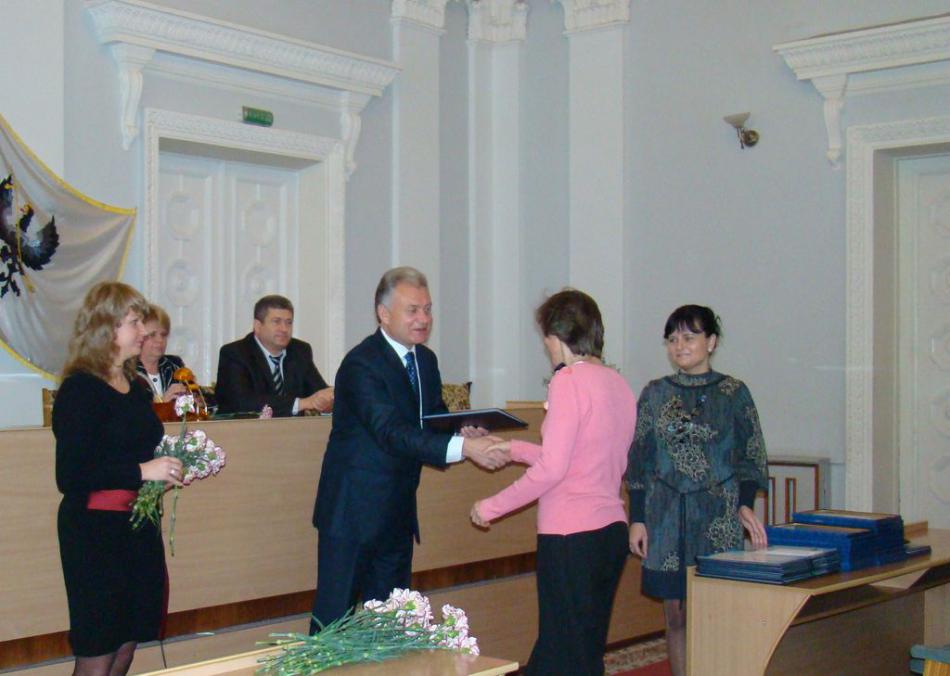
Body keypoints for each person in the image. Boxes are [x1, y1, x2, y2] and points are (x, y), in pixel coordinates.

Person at [310, 266, 505, 633]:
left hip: (397, 513)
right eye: (413, 310)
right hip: (353, 514)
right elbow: (391, 432)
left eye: (428, 309)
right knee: (333, 627)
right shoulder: (361, 363)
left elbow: (432, 419)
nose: (424, 319)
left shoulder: (425, 361)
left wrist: (465, 429)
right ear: (384, 314)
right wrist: (465, 448)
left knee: (391, 626)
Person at [470, 289, 637, 676]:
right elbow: (584, 460)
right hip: (609, 532)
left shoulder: (567, 381)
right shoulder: (618, 384)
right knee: (583, 653)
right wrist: (513, 448)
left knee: (560, 655)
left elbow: (553, 470)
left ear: (556, 335)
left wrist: (490, 507)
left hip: (569, 537)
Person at [627, 304, 768, 676]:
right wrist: (637, 518)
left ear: (712, 341)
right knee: (675, 616)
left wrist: (745, 504)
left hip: (717, 518)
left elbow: (751, 454)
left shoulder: (734, 393)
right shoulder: (655, 393)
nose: (680, 346)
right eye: (672, 339)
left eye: (689, 337)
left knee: (714, 615)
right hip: (666, 518)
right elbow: (638, 459)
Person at [53, 282, 184, 676]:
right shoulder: (80, 389)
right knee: (99, 649)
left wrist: (163, 471)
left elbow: (137, 448)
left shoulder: (136, 387)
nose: (144, 331)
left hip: (137, 527)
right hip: (95, 534)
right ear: (105, 328)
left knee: (127, 644)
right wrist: (142, 471)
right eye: (135, 322)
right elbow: (71, 474)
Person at [215, 294, 334, 417]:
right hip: (245, 428)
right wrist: (300, 403)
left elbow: (318, 392)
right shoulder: (235, 353)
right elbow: (241, 402)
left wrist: (328, 401)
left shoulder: (300, 351)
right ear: (258, 326)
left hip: (293, 428)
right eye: (276, 322)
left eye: (289, 322)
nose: (284, 329)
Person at [136, 304, 188, 402]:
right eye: (152, 335)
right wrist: (163, 405)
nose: (160, 340)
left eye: (163, 335)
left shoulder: (174, 365)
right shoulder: (128, 372)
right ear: (138, 336)